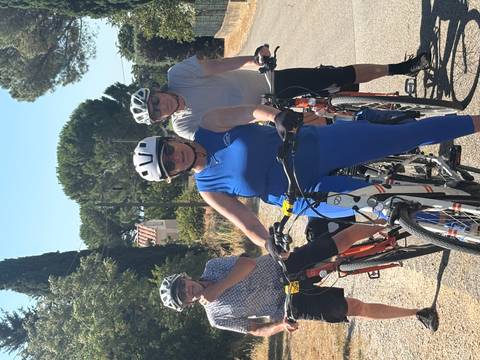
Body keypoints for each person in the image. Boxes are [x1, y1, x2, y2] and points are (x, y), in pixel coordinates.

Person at [133, 108, 480, 248]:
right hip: (304, 196)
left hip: (316, 145)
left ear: (172, 139)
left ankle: (474, 122)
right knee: (384, 206)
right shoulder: (208, 188)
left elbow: (253, 111)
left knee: (403, 137)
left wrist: (277, 117)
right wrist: (267, 244)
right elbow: (247, 223)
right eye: (169, 165)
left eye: (168, 150)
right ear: (172, 176)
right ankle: (465, 222)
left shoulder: (209, 124)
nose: (174, 157)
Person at [158, 221, 439, 336]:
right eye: (183, 295)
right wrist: (282, 325)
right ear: (186, 305)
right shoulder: (216, 318)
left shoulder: (212, 267)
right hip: (289, 302)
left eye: (183, 285)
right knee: (354, 308)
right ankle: (418, 312)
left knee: (339, 241)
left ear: (185, 277)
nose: (188, 290)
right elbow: (255, 329)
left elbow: (247, 264)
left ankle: (395, 218)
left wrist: (218, 288)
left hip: (283, 267)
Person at [129, 44, 431, 139]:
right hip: (270, 118)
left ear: (156, 91)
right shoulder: (182, 127)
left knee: (339, 76)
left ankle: (401, 67)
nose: (161, 106)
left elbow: (219, 65)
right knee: (330, 123)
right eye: (156, 112)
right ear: (159, 121)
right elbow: (225, 133)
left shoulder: (178, 75)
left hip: (270, 83)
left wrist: (254, 60)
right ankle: (394, 121)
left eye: (154, 100)